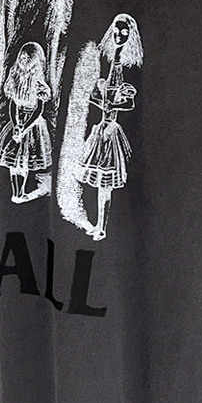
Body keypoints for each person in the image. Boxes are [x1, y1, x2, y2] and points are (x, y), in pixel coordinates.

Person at [74, 14, 143, 239]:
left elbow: (130, 102)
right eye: (116, 30)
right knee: (99, 182)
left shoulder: (129, 64)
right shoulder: (109, 58)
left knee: (106, 183)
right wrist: (97, 96)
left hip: (112, 129)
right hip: (102, 126)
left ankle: (103, 227)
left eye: (124, 33)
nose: (119, 36)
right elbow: (99, 97)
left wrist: (111, 103)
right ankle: (99, 225)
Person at [0, 41, 53, 203]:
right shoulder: (15, 76)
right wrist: (15, 124)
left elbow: (38, 110)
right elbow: (13, 104)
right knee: (14, 161)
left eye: (28, 58)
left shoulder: (39, 81)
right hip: (17, 121)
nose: (24, 60)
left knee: (24, 161)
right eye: (23, 57)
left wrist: (24, 127)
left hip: (32, 125)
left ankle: (21, 192)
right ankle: (16, 192)